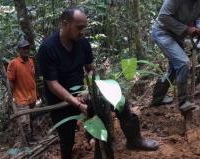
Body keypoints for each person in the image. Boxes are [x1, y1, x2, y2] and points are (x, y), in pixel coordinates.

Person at [37, 7, 158, 159]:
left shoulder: (82, 43)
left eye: (84, 28)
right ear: (65, 23)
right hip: (61, 101)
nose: (82, 32)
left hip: (84, 93)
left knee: (121, 103)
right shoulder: (48, 48)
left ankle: (134, 140)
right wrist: (76, 103)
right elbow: (52, 84)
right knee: (67, 140)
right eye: (79, 27)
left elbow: (90, 70)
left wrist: (88, 87)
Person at [150, 0, 200, 113]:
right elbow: (163, 17)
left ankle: (157, 98)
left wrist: (198, 26)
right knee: (183, 63)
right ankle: (183, 102)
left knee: (174, 69)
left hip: (178, 35)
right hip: (162, 32)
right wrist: (186, 29)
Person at [7, 39, 37, 143]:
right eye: (23, 48)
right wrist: (11, 99)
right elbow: (10, 82)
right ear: (19, 50)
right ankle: (27, 144)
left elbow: (32, 78)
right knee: (25, 123)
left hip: (32, 97)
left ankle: (32, 139)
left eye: (27, 47)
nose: (26, 50)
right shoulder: (13, 63)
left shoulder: (31, 61)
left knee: (32, 119)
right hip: (21, 98)